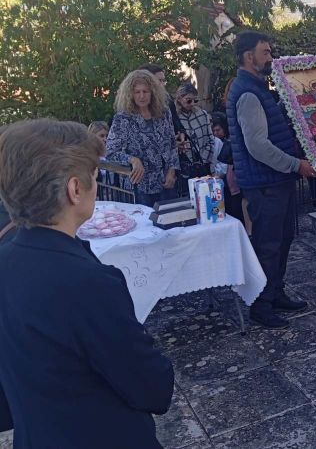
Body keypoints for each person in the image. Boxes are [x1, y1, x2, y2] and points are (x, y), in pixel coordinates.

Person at [0, 119, 174, 448]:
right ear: (75, 190)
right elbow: (153, 387)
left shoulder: (7, 260)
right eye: (94, 176)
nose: (97, 184)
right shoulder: (88, 284)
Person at [226, 30, 316, 329]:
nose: (270, 57)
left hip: (275, 180)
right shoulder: (248, 93)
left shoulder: (258, 88)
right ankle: (261, 305)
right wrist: (296, 165)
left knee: (283, 239)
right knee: (268, 244)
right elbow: (257, 146)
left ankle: (275, 293)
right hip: (265, 183)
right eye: (265, 52)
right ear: (248, 56)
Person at [106, 69, 180, 207]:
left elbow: (171, 144)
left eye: (145, 91)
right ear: (130, 94)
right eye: (137, 92)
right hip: (139, 186)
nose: (141, 96)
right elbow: (110, 152)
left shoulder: (164, 113)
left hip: (165, 182)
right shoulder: (123, 118)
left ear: (153, 92)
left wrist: (172, 171)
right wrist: (133, 159)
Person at [174, 83, 214, 192]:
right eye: (188, 100)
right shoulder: (173, 118)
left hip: (203, 165)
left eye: (195, 101)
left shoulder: (202, 114)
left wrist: (203, 160)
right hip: (184, 168)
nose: (192, 104)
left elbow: (210, 140)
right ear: (179, 99)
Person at [210, 112, 244, 223]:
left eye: (218, 130)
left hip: (232, 183)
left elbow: (224, 164)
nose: (216, 133)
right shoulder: (215, 142)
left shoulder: (229, 142)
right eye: (213, 131)